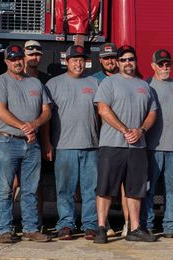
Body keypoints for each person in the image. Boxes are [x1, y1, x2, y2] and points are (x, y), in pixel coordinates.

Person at [93, 46, 159, 244]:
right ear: (118, 62)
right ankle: (101, 228)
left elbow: (152, 113)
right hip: (112, 145)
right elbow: (103, 109)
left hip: (137, 146)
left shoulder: (144, 86)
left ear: (135, 61)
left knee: (135, 189)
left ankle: (135, 228)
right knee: (104, 188)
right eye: (123, 60)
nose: (127, 63)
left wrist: (141, 131)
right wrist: (124, 130)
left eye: (131, 59)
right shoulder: (108, 83)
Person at [0, 44, 53, 243]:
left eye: (19, 59)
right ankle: (5, 231)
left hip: (31, 144)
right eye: (13, 59)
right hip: (7, 141)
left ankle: (30, 228)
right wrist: (24, 127)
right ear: (6, 61)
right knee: (5, 188)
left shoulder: (35, 84)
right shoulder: (0, 83)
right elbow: (0, 111)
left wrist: (34, 124)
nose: (17, 62)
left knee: (31, 188)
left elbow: (47, 111)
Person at [42, 45, 101, 241]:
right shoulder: (53, 84)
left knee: (90, 189)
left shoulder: (94, 83)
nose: (78, 63)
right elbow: (46, 117)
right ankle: (66, 224)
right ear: (66, 61)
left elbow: (103, 114)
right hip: (64, 145)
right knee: (65, 189)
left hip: (91, 145)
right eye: (74, 59)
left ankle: (90, 225)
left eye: (81, 59)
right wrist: (47, 142)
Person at [143, 49, 173, 239]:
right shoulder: (146, 85)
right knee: (149, 188)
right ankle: (146, 225)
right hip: (152, 147)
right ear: (153, 66)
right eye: (161, 64)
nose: (165, 67)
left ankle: (172, 227)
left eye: (168, 64)